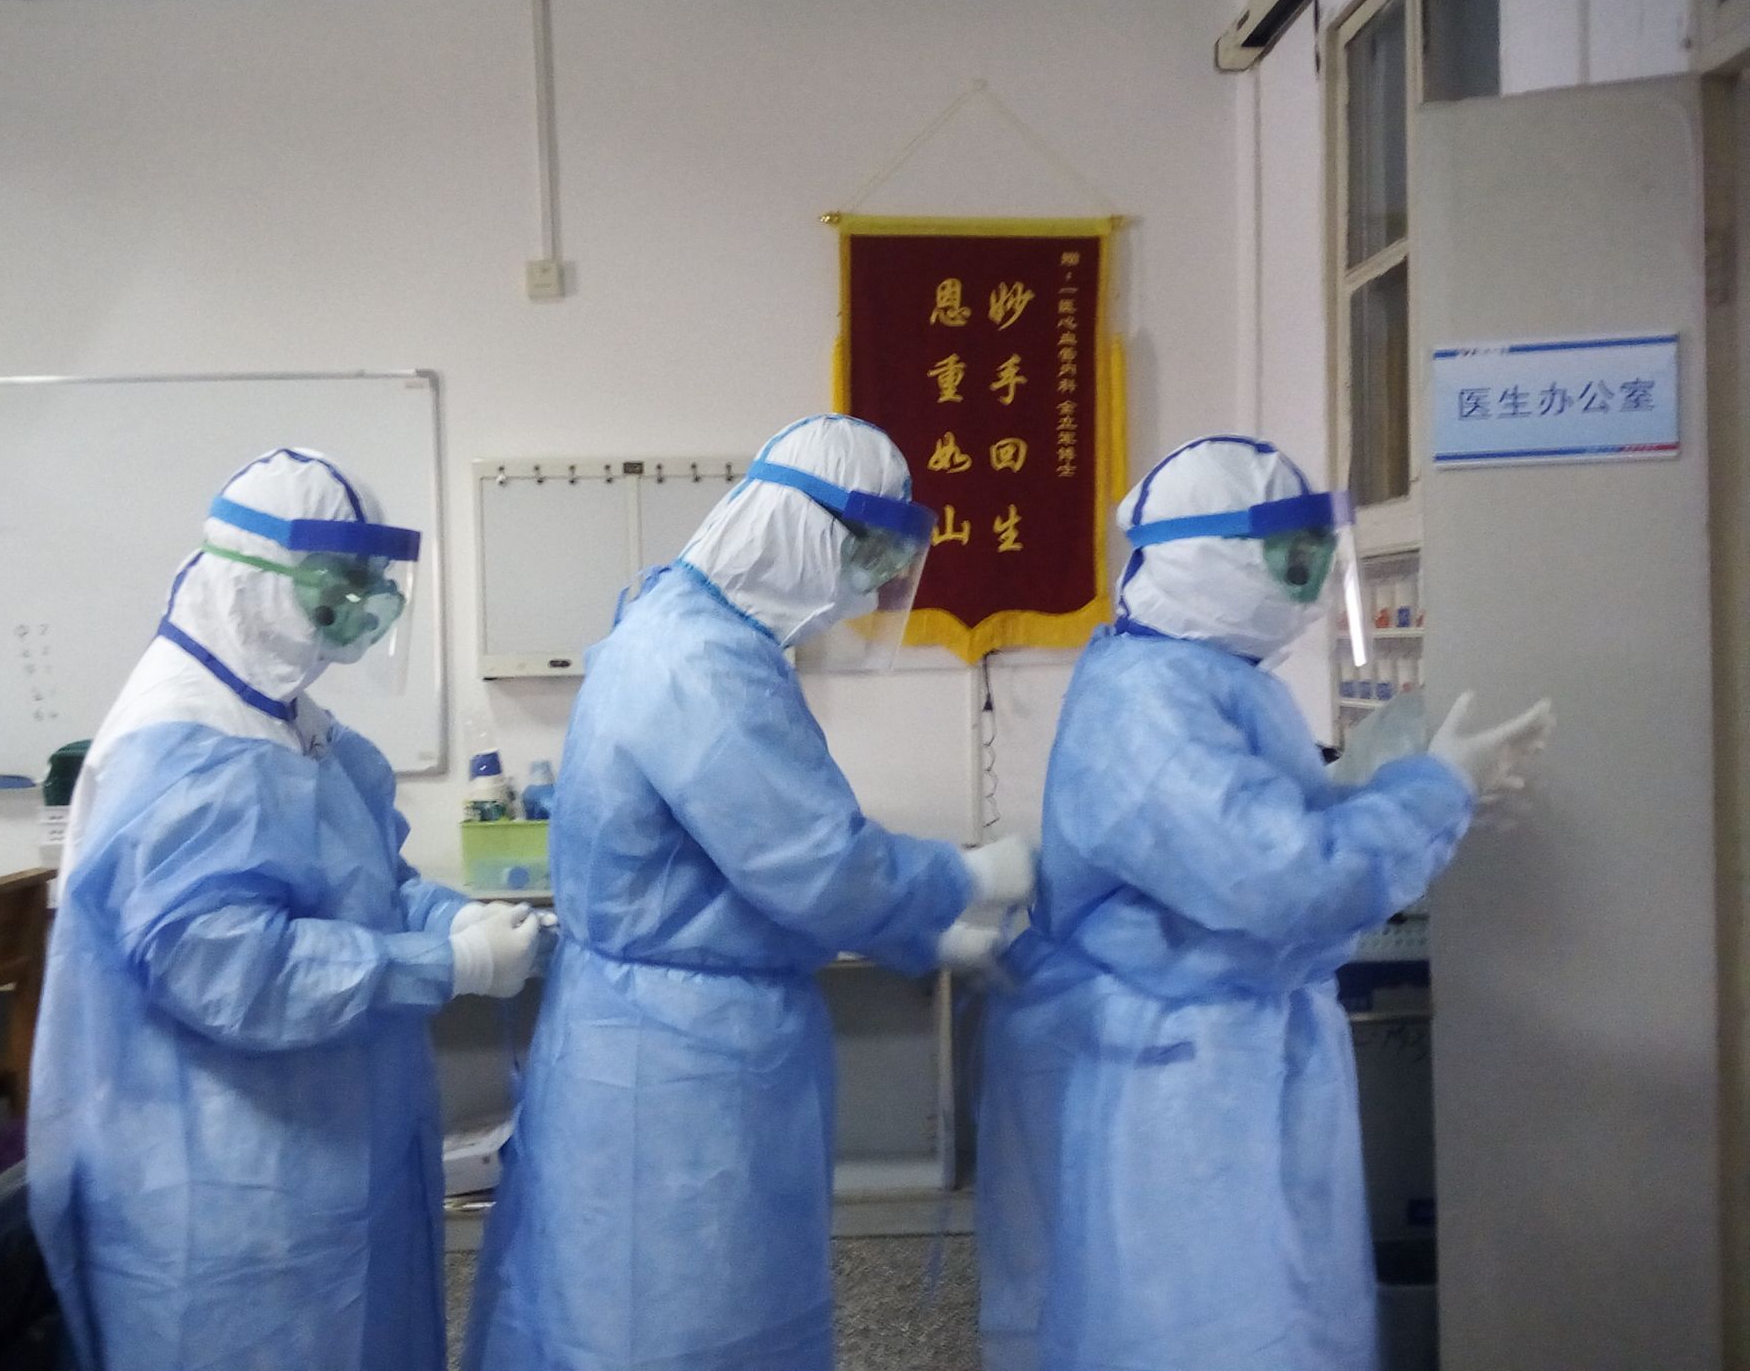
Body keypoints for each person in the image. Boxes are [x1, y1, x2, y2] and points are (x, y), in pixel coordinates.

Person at [464, 414, 1036, 1371]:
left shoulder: (687, 629)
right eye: (865, 553)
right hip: (677, 1062)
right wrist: (963, 878)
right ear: (798, 529)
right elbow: (815, 865)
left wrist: (925, 935)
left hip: (666, 1030)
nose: (871, 586)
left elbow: (746, 869)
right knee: (678, 1316)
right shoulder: (699, 661)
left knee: (669, 1299)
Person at [976, 435, 1553, 1371]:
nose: (1312, 580)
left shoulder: (1212, 679)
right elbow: (1282, 876)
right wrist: (1434, 791)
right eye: (1290, 556)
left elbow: (1275, 830)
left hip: (1226, 1050)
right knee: (1199, 1335)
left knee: (1279, 1320)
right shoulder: (1146, 702)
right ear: (1206, 558)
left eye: (1318, 553)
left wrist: (1401, 789)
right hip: (1172, 1075)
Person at [28, 448, 545, 1371]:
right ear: (252, 577)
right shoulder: (182, 741)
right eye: (336, 585)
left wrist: (449, 919)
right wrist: (446, 964)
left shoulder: (292, 723)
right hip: (226, 1186)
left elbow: (372, 882)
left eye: (369, 583)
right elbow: (226, 965)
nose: (359, 608)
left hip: (322, 1152)